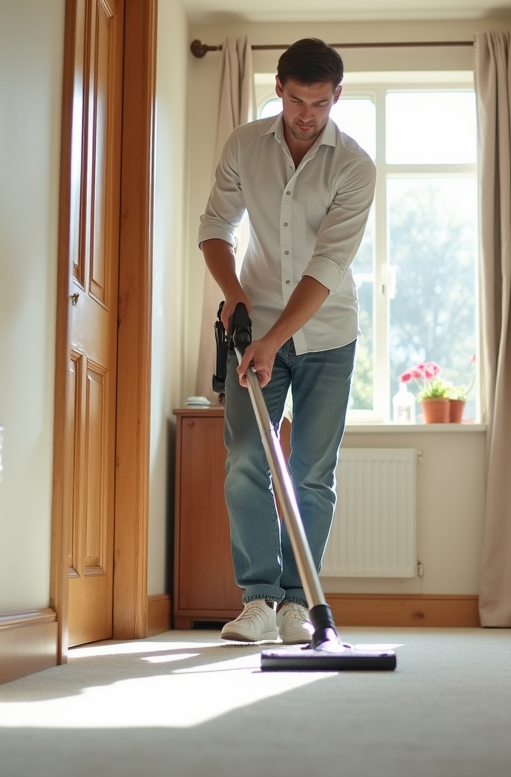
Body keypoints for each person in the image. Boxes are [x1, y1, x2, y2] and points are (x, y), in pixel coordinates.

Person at [198, 38, 377, 644]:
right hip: (251, 330)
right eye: (296, 99)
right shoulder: (246, 145)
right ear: (278, 89)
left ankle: (299, 604)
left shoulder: (354, 166)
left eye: (319, 103)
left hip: (326, 334)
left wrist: (276, 337)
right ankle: (258, 599)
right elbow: (215, 227)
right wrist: (234, 293)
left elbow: (328, 265)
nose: (306, 114)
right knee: (248, 460)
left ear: (336, 97)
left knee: (311, 472)